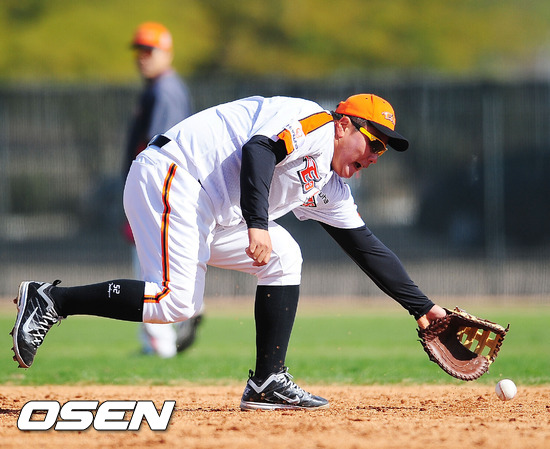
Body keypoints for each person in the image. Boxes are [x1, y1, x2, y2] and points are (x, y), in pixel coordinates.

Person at [11, 93, 447, 410]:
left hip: (210, 207)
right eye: (375, 142)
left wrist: (423, 308)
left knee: (285, 256)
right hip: (174, 175)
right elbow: (260, 150)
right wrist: (258, 224)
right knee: (174, 301)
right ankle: (52, 300)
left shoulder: (329, 184)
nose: (376, 155)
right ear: (344, 125)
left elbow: (365, 246)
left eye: (384, 150)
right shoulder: (314, 124)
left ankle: (267, 381)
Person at [125, 22, 201, 358]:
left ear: (167, 53)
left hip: (159, 189)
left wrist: (145, 196)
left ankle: (160, 341)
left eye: (149, 50)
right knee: (158, 265)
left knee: (151, 267)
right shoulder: (159, 88)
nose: (142, 57)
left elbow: (159, 147)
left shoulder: (165, 90)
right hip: (161, 189)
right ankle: (178, 324)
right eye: (139, 50)